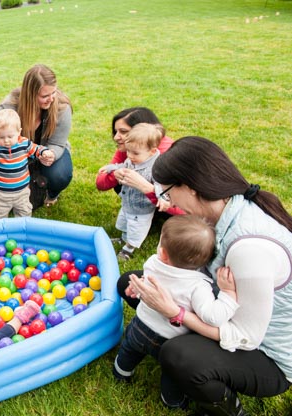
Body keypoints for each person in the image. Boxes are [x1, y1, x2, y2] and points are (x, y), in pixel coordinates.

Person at [121, 136, 292, 415]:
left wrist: (174, 312)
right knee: (132, 281)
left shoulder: (249, 248)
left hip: (267, 356)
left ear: (189, 188)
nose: (167, 201)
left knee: (178, 355)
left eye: (167, 193)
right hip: (219, 307)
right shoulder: (223, 211)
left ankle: (227, 408)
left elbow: (245, 336)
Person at [113, 215, 239, 410]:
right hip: (168, 341)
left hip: (139, 325)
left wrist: (136, 290)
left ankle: (121, 373)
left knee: (129, 351)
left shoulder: (153, 262)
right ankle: (172, 401)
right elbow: (213, 316)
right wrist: (229, 294)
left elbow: (147, 283)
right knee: (171, 372)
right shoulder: (198, 285)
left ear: (163, 253)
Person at [0, 64, 73, 209]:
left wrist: (51, 155)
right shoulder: (10, 105)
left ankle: (52, 193)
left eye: (53, 92)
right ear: (30, 95)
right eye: (44, 96)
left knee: (59, 175)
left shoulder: (62, 107)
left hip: (45, 153)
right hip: (15, 153)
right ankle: (6, 186)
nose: (51, 99)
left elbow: (58, 143)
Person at [96, 107, 182, 215]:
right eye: (115, 131)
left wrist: (146, 187)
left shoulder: (168, 155)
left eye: (123, 131)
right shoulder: (132, 148)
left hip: (172, 206)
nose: (116, 137)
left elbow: (184, 209)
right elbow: (101, 183)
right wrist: (116, 173)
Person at [100, 123, 164, 261]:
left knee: (136, 230)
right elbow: (124, 165)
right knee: (125, 223)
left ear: (152, 151)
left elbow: (161, 188)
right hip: (128, 203)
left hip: (142, 210)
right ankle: (123, 239)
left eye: (135, 153)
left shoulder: (156, 167)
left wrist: (161, 197)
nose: (130, 156)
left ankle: (128, 249)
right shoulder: (134, 159)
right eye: (128, 151)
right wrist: (112, 167)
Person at [0, 108, 55, 219]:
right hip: (1, 193)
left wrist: (44, 152)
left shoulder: (24, 143)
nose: (6, 140)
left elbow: (36, 149)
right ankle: (1, 233)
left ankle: (22, 232)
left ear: (19, 131)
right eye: (1, 137)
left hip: (22, 191)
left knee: (24, 213)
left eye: (10, 136)